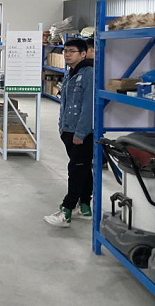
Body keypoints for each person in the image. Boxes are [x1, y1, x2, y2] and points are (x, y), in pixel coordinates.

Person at [44, 38, 94, 227]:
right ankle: (85, 207)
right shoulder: (70, 73)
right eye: (65, 51)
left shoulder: (88, 73)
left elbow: (89, 107)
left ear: (83, 54)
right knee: (83, 169)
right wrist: (61, 127)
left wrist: (80, 133)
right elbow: (64, 103)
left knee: (76, 170)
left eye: (72, 51)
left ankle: (67, 210)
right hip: (68, 130)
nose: (67, 54)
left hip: (81, 133)